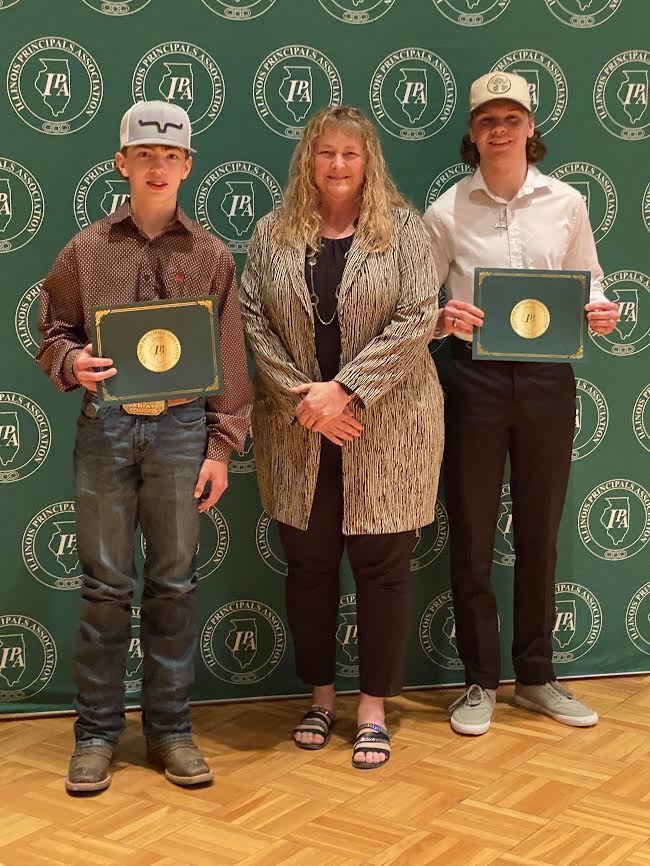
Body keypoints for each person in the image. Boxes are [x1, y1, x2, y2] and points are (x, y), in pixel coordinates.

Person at [36, 101, 251, 792]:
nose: (158, 167)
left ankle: (171, 731)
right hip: (108, 427)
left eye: (171, 156)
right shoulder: (86, 249)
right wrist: (72, 364)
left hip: (183, 431)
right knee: (103, 585)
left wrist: (221, 449)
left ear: (188, 166)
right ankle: (97, 732)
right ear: (122, 162)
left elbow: (230, 359)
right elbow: (53, 331)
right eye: (145, 155)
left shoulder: (212, 257)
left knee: (175, 584)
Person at [240, 105, 444, 769]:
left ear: (368, 162)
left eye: (349, 155)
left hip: (389, 426)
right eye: (325, 153)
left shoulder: (404, 229)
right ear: (308, 158)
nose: (336, 165)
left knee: (383, 571)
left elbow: (419, 316)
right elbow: (252, 320)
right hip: (301, 432)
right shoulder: (272, 232)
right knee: (310, 570)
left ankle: (374, 709)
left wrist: (345, 390)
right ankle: (321, 700)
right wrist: (310, 402)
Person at [423, 72, 620, 736]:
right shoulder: (445, 210)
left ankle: (537, 677)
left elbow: (588, 278)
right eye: (487, 120)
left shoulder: (566, 203)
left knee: (539, 532)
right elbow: (417, 307)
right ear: (471, 134)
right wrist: (439, 317)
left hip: (546, 382)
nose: (499, 130)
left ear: (532, 128)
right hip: (471, 380)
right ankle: (478, 681)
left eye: (511, 118)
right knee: (473, 532)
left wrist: (597, 307)